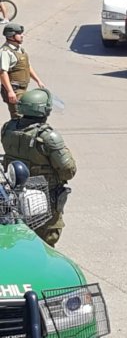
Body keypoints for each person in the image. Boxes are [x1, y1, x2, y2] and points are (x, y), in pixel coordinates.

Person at [1, 88, 77, 247]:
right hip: (43, 196)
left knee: (17, 235)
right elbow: (68, 170)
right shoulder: (48, 137)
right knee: (47, 238)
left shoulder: (8, 128)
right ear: (45, 110)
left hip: (14, 192)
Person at [0, 23, 45, 120]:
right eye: (19, 33)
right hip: (14, 90)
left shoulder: (20, 49)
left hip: (22, 89)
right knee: (18, 118)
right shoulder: (5, 52)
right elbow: (3, 73)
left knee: (28, 114)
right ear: (11, 36)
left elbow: (27, 66)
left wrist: (38, 80)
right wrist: (10, 91)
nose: (22, 35)